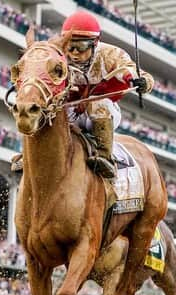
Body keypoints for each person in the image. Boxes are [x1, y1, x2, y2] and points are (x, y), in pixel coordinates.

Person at [11, 10, 154, 178]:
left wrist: (139, 81)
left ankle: (104, 156)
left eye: (81, 47)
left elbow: (136, 73)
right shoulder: (59, 55)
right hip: (69, 111)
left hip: (101, 114)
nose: (74, 53)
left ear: (95, 43)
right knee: (45, 105)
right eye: (70, 46)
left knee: (97, 103)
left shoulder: (110, 54)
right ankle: (30, 155)